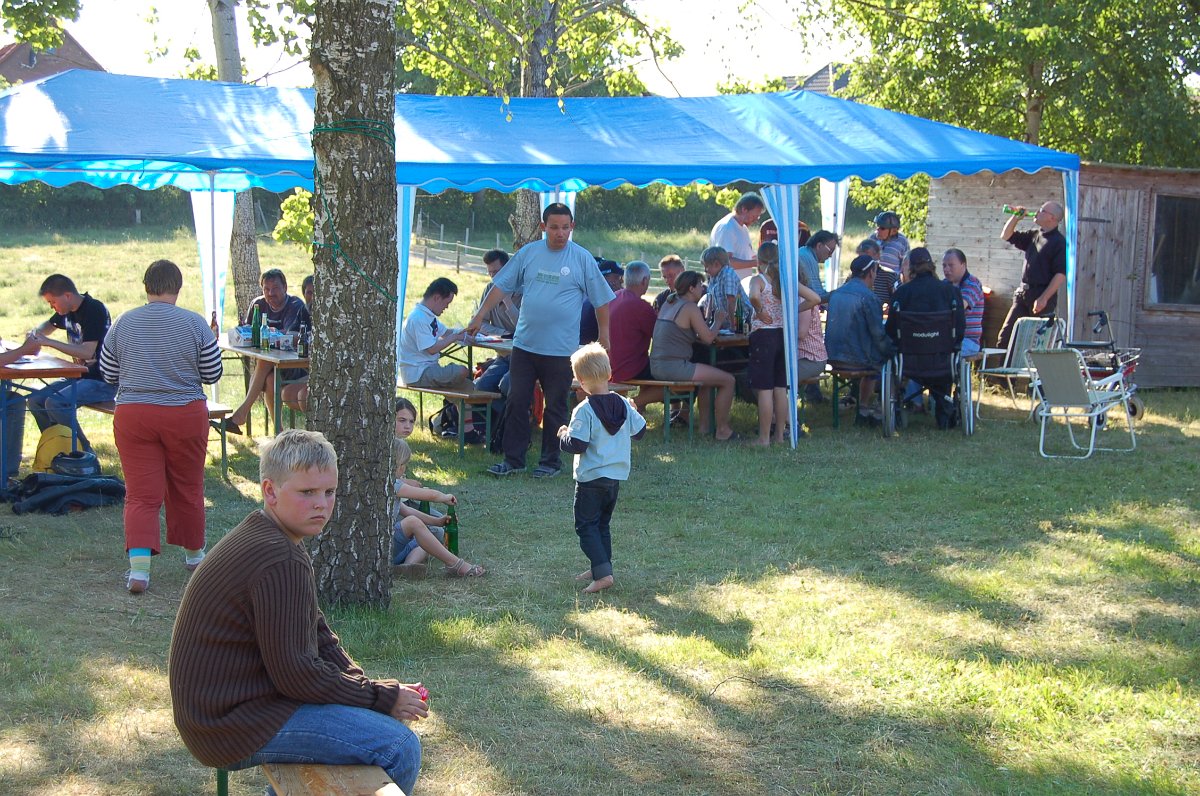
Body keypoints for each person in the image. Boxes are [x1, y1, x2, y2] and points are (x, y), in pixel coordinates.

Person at [168, 430, 425, 794]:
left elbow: (317, 634)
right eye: (307, 492)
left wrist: (362, 688)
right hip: (229, 724)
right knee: (398, 746)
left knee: (367, 731)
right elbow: (297, 675)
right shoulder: (279, 558)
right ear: (270, 491)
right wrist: (379, 697)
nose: (321, 503)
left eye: (329, 491)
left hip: (231, 711)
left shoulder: (270, 535)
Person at [99, 260, 223, 593]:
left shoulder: (123, 323)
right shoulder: (194, 323)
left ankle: (139, 572)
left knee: (140, 495)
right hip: (184, 413)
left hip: (134, 413)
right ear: (178, 288)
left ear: (146, 286)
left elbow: (108, 372)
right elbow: (212, 374)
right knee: (187, 487)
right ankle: (195, 557)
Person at [466, 203, 615, 479]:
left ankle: (550, 461)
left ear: (572, 227)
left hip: (561, 351)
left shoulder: (581, 259)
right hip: (525, 346)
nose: (560, 233)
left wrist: (604, 336)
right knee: (516, 399)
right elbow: (501, 285)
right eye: (554, 227)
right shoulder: (529, 254)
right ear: (543, 227)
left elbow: (601, 299)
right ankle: (513, 460)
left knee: (556, 406)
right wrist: (480, 315)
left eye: (565, 227)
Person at [557, 343, 646, 594]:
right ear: (609, 374)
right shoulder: (623, 404)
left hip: (591, 477)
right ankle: (601, 566)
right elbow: (639, 432)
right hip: (615, 476)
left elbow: (577, 444)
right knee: (602, 524)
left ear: (580, 381)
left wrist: (563, 434)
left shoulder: (583, 410)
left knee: (585, 525)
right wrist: (633, 409)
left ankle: (603, 573)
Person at [24, 274, 117, 452]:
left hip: (102, 380)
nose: (52, 306)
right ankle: (57, 447)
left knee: (55, 403)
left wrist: (48, 342)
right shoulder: (66, 312)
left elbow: (86, 351)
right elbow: (48, 325)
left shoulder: (93, 309)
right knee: (35, 400)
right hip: (79, 376)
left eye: (53, 301)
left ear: (67, 296)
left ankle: (82, 452)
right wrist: (34, 334)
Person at [650, 270, 737, 441]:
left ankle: (704, 427)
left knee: (708, 379)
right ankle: (723, 430)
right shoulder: (689, 307)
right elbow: (708, 338)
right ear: (691, 288)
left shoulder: (669, 302)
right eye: (699, 286)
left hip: (657, 365)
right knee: (729, 381)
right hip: (674, 367)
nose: (702, 289)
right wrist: (719, 319)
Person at [747, 242, 819, 446]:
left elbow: (753, 295)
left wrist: (759, 309)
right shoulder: (786, 281)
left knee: (764, 389)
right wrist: (793, 311)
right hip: (783, 336)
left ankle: (763, 438)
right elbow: (815, 298)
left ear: (759, 261)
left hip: (763, 336)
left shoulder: (759, 280)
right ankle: (780, 435)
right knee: (780, 388)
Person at [885, 247, 966, 429]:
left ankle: (901, 406)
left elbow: (891, 330)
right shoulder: (951, 292)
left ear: (911, 268)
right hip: (942, 360)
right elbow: (960, 329)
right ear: (932, 266)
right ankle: (944, 414)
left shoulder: (902, 294)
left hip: (910, 361)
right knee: (943, 374)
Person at [224, 269, 311, 434]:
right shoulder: (258, 304)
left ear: (285, 287)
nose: (271, 293)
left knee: (265, 361)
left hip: (295, 366)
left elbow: (290, 340)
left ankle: (241, 415)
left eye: (275, 288)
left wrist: (270, 338)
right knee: (270, 379)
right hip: (273, 368)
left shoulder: (295, 305)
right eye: (266, 289)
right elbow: (248, 334)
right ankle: (279, 433)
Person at [391, 437, 485, 578]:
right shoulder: (392, 484)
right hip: (386, 546)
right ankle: (456, 564)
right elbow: (428, 495)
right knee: (412, 522)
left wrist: (437, 521)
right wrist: (444, 497)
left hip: (391, 550)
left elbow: (407, 510)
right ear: (400, 466)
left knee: (426, 543)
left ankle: (406, 568)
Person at [825, 255, 895, 427]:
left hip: (832, 357)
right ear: (871, 273)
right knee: (890, 361)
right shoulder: (870, 298)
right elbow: (878, 335)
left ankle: (863, 407)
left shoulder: (836, 294)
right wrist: (892, 350)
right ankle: (875, 409)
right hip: (858, 359)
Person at [998, 201, 1066, 350]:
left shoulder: (1059, 242)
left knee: (1037, 343)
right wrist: (1016, 217)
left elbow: (1060, 275)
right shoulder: (1034, 235)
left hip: (1042, 296)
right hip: (1023, 294)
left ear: (1052, 218)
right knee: (1006, 338)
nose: (1037, 212)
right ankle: (1001, 373)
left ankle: (1033, 373)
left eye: (1042, 210)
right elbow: (1006, 235)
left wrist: (1044, 298)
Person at [470, 249, 521, 442]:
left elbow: (523, 326)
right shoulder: (489, 290)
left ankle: (508, 432)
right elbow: (478, 322)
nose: (494, 278)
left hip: (524, 359)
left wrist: (507, 301)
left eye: (497, 273)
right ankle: (486, 433)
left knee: (507, 384)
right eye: (490, 273)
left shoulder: (525, 291)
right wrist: (503, 334)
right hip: (503, 356)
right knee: (482, 385)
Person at [398, 277, 471, 390]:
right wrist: (455, 337)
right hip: (418, 373)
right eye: (446, 303)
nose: (446, 307)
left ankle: (458, 406)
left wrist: (466, 331)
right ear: (437, 298)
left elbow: (445, 332)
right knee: (462, 371)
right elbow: (432, 349)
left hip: (427, 369)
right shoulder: (418, 318)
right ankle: (457, 405)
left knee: (470, 387)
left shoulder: (427, 315)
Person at [607, 261, 662, 412]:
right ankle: (632, 404)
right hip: (628, 367)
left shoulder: (613, 297)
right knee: (674, 380)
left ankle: (638, 409)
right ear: (645, 281)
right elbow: (661, 337)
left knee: (651, 364)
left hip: (609, 364)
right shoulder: (641, 306)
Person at [709, 191, 765, 279]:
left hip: (739, 286)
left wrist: (765, 259)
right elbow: (726, 262)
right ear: (744, 209)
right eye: (754, 216)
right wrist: (756, 263)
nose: (755, 220)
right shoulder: (727, 227)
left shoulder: (743, 229)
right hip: (727, 287)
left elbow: (749, 256)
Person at [282, 274, 316, 413]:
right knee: (286, 394)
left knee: (303, 396)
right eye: (310, 293)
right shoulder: (305, 310)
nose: (314, 297)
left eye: (318, 292)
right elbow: (291, 333)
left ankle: (314, 433)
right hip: (309, 368)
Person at [942, 248, 984, 355]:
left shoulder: (973, 284)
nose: (946, 269)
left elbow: (959, 307)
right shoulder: (943, 284)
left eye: (951, 265)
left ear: (963, 265)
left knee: (943, 354)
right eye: (944, 265)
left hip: (968, 341)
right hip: (946, 338)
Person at [699, 246, 751, 332]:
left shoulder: (728, 274)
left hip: (741, 319)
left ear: (716, 264)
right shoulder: (713, 277)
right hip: (727, 321)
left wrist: (732, 325)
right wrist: (707, 322)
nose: (705, 270)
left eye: (707, 266)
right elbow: (710, 302)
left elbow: (731, 301)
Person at [580, 259, 623, 345]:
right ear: (605, 278)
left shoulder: (590, 296)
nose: (621, 281)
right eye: (617, 277)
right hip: (590, 352)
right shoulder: (601, 301)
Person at [797, 231, 838, 304]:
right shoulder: (807, 258)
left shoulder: (804, 252)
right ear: (819, 246)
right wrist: (843, 291)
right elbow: (818, 296)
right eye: (830, 251)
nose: (830, 256)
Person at [868, 211, 910, 278]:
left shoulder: (902, 241)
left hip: (892, 281)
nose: (878, 230)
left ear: (894, 230)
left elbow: (906, 265)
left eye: (882, 228)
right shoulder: (872, 239)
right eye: (877, 226)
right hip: (873, 280)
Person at [857, 238, 897, 309]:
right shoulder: (854, 277)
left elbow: (899, 299)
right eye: (862, 256)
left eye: (868, 255)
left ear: (878, 255)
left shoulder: (889, 276)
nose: (865, 260)